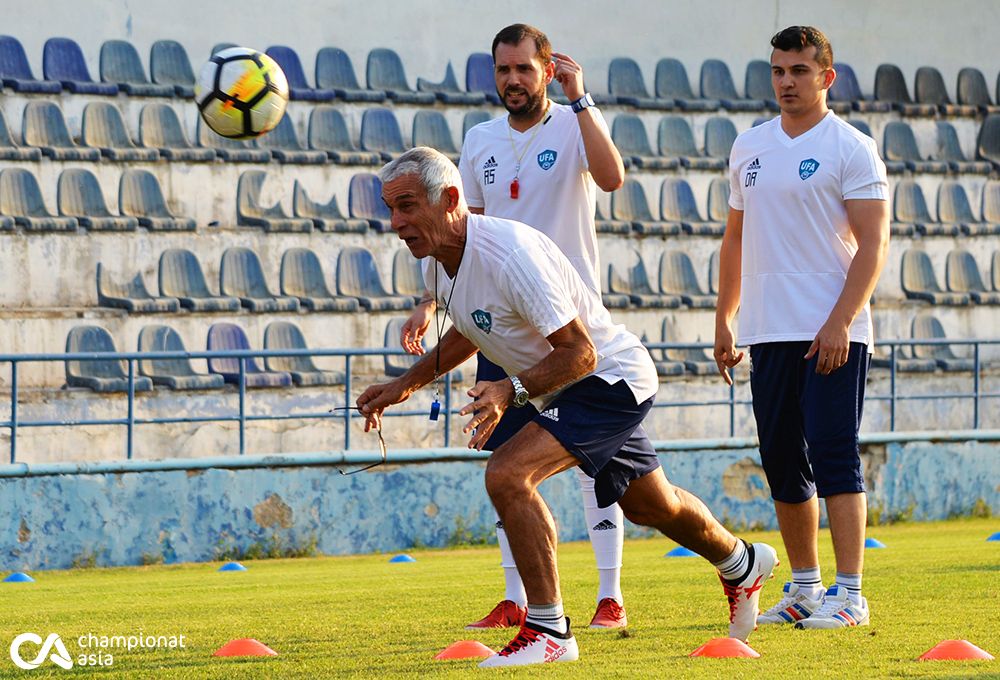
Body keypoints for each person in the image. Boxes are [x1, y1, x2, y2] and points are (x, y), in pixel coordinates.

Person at [360, 146, 777, 667]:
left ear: (449, 199)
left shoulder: (508, 254)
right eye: (390, 208)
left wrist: (509, 390)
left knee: (509, 473)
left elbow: (581, 352)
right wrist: (404, 384)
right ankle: (742, 561)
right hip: (567, 386)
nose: (395, 223)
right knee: (652, 505)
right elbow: (472, 330)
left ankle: (548, 630)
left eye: (406, 206)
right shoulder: (442, 263)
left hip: (610, 377)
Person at [398, 23, 631, 630]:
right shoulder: (480, 140)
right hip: (498, 316)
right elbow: (460, 225)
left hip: (567, 319)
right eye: (503, 70)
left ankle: (609, 593)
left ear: (547, 71)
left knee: (591, 465)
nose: (512, 80)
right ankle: (520, 598)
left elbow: (611, 179)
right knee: (504, 456)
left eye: (524, 69)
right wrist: (432, 301)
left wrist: (583, 102)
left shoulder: (573, 122)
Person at [713, 26, 890, 630]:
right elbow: (734, 239)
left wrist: (841, 320)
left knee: (836, 453)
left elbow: (874, 245)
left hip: (832, 330)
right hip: (769, 330)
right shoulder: (749, 146)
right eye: (779, 71)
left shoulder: (852, 147)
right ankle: (806, 588)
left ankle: (850, 594)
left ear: (826, 78)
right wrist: (725, 318)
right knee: (782, 458)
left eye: (799, 71)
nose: (786, 82)